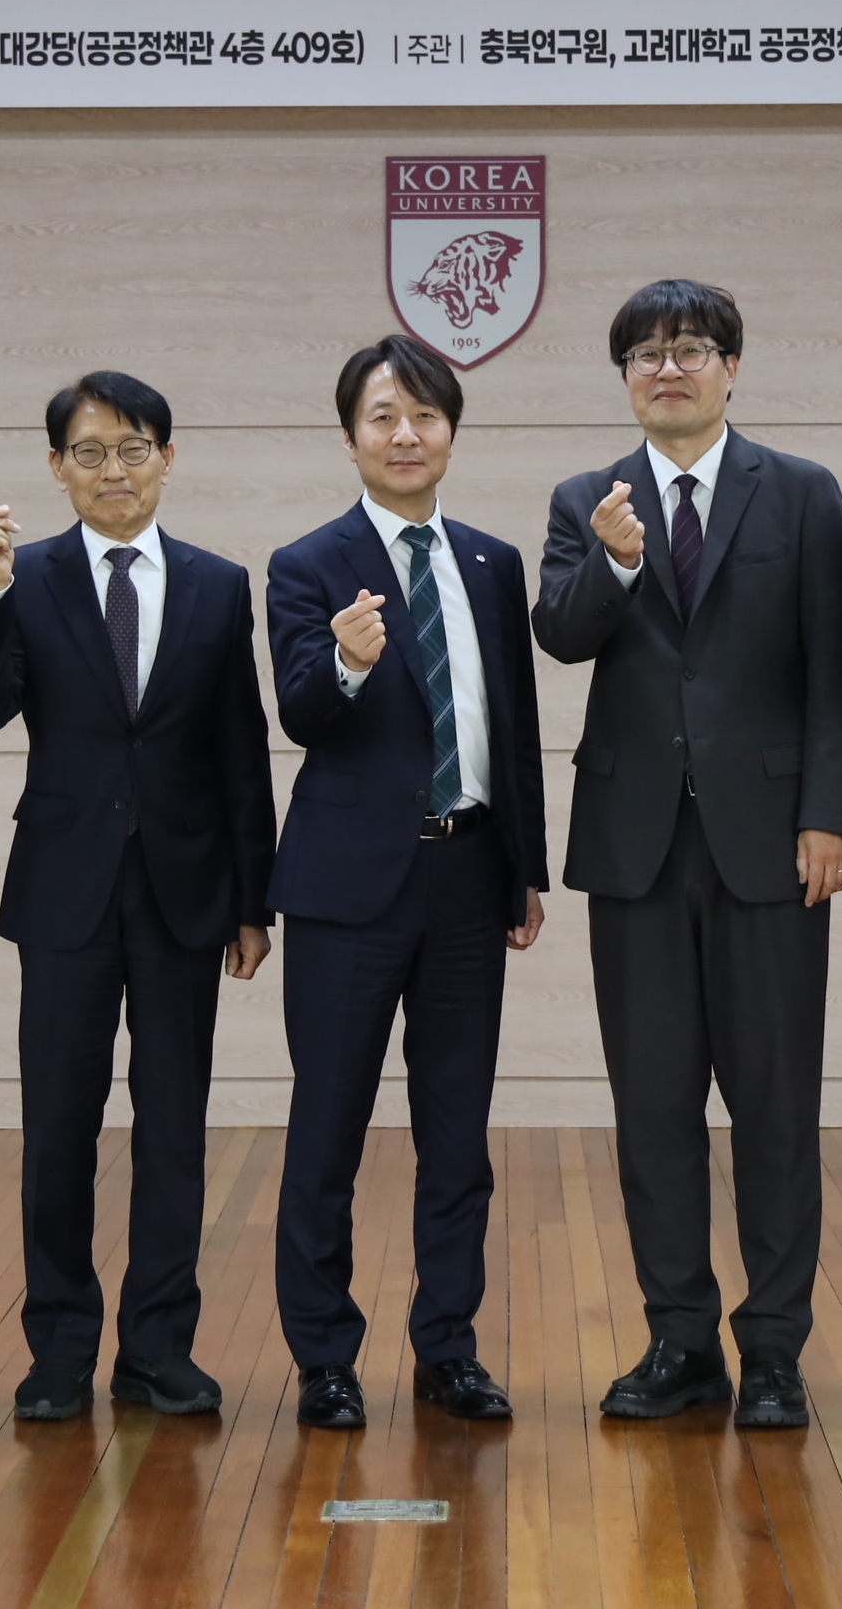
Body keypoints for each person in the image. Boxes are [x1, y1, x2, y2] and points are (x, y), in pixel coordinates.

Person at [532, 280, 842, 1430]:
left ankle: (772, 1348)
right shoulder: (587, 498)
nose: (668, 367)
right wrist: (614, 562)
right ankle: (680, 1338)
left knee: (776, 1104)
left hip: (772, 844)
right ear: (625, 376)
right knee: (654, 1106)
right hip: (634, 848)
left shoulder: (803, 492)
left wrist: (832, 812)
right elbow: (559, 633)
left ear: (732, 366)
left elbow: (833, 667)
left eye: (690, 348)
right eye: (646, 353)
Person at [0, 370, 278, 1423]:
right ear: (57, 468)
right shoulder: (26, 575)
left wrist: (253, 899)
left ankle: (157, 1348)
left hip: (187, 890)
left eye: (134, 448)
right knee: (59, 1125)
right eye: (89, 452)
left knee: (173, 1126)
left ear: (167, 459)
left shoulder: (219, 584)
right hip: (65, 892)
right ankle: (58, 1349)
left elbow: (241, 750)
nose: (114, 470)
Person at [263, 334, 549, 1429]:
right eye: (383, 416)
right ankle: (324, 1358)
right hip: (347, 889)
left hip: (469, 875)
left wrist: (523, 867)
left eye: (425, 415)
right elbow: (301, 712)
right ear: (351, 437)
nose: (405, 434)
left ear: (451, 433)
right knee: (326, 1130)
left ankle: (449, 1348)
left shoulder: (491, 562)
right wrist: (344, 660)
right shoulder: (306, 563)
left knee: (457, 1135)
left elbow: (511, 722)